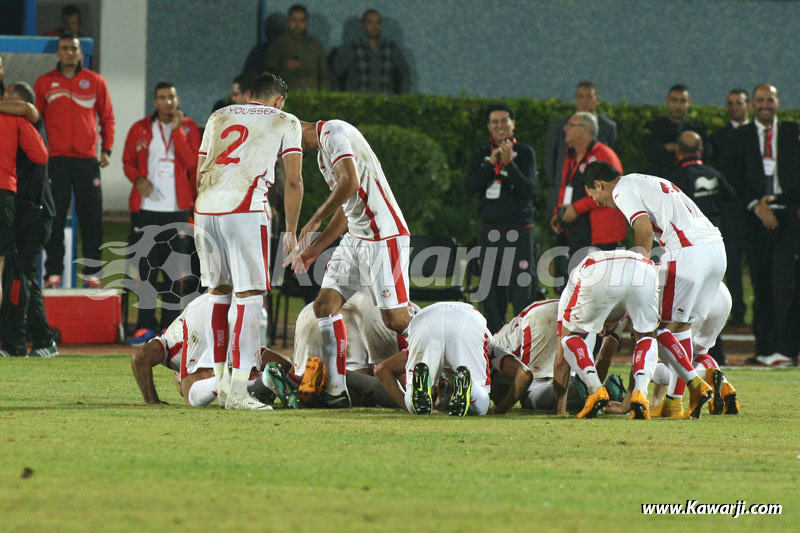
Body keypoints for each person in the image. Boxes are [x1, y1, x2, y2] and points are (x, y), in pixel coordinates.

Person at [195, 72, 303, 410]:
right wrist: (291, 229)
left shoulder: (220, 115)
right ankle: (240, 391)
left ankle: (222, 382)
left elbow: (200, 169)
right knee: (250, 298)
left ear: (248, 95)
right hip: (245, 209)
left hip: (207, 210)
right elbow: (294, 180)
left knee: (218, 295)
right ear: (279, 100)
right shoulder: (286, 120)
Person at [288, 117, 412, 408]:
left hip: (383, 235)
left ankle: (448, 354)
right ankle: (335, 390)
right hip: (357, 238)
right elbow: (348, 209)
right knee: (324, 306)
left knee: (395, 319)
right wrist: (316, 249)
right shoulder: (322, 154)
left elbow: (351, 181)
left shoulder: (333, 131)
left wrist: (316, 216)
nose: (286, 157)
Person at [584, 161, 719, 418]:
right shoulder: (643, 179)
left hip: (686, 251)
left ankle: (694, 384)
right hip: (715, 249)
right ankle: (673, 403)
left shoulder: (622, 189)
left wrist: (640, 267)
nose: (599, 203)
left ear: (599, 185)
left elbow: (643, 228)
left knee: (651, 330)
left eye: (596, 197)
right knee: (680, 328)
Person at [724, 84, 800, 367]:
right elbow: (730, 177)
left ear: (778, 102)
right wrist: (756, 204)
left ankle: (786, 349)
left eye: (770, 99)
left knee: (786, 286)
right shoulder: (740, 137)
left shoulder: (793, 132)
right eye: (760, 100)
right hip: (755, 220)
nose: (765, 104)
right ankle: (765, 350)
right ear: (753, 104)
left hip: (790, 217)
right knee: (761, 284)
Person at [122, 81, 201, 346]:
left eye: (171, 97)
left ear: (178, 99)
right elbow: (127, 161)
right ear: (155, 101)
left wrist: (178, 133)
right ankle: (144, 326)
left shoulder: (189, 128)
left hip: (177, 210)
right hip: (146, 210)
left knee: (173, 272)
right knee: (146, 271)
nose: (168, 102)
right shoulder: (140, 128)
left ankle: (169, 328)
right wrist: (137, 178)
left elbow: (192, 163)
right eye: (162, 97)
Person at [34, 32, 115, 289]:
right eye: (65, 48)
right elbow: (34, 123)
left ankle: (92, 274)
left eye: (74, 48)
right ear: (58, 53)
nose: (69, 52)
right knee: (54, 219)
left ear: (80, 52)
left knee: (91, 219)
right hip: (55, 162)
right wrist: (38, 155)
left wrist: (107, 150)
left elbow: (108, 117)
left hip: (87, 161)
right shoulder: (45, 83)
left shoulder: (95, 82)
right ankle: (53, 274)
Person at [552, 250, 663, 420]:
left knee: (569, 340)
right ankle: (640, 393)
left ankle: (596, 392)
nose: (603, 332)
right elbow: (604, 359)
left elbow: (561, 362)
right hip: (644, 270)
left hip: (597, 272)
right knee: (646, 337)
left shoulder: (569, 296)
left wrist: (560, 408)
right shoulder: (620, 311)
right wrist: (627, 402)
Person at [131, 293, 293, 407]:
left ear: (178, 376)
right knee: (243, 367)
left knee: (191, 397)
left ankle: (230, 380)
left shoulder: (170, 345)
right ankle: (262, 380)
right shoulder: (171, 341)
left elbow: (139, 358)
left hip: (205, 309)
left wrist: (152, 401)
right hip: (234, 303)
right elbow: (284, 363)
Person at [465, 103, 538, 333]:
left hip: (519, 232)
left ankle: (523, 343)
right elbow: (469, 187)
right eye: (494, 121)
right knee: (491, 293)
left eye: (504, 120)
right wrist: (491, 165)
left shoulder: (525, 153)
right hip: (490, 233)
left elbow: (529, 190)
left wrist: (509, 164)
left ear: (513, 124)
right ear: (489, 126)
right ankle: (494, 345)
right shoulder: (481, 155)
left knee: (521, 291)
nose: (500, 126)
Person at [0, 82, 58, 358]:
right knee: (25, 276)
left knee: (19, 276)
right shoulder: (18, 128)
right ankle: (44, 340)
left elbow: (27, 108)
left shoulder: (31, 124)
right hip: (31, 211)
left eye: (9, 100)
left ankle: (15, 344)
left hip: (35, 212)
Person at [550, 111, 626, 290]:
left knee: (601, 288)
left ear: (585, 129)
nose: (565, 129)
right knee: (574, 286)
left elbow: (609, 191)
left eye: (570, 125)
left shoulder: (604, 155)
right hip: (576, 232)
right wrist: (558, 213)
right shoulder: (571, 156)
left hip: (601, 236)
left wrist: (576, 208)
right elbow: (564, 186)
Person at [375, 302, 492, 416]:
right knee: (482, 407)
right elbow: (381, 370)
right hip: (465, 319)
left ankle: (416, 398)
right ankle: (470, 387)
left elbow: (381, 370)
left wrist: (407, 407)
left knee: (414, 404)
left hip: (427, 321)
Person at [544, 81, 617, 217]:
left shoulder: (608, 127)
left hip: (595, 197)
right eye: (580, 96)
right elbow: (549, 159)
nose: (584, 101)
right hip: (563, 193)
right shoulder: (559, 125)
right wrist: (557, 184)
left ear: (597, 100)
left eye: (589, 96)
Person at [710, 89, 750, 325]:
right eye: (731, 103)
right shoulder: (718, 137)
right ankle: (738, 313)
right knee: (732, 262)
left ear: (747, 105)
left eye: (739, 102)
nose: (735, 107)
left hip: (757, 209)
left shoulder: (759, 134)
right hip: (731, 209)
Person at [332, 8, 411, 94]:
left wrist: (402, 97)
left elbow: (405, 73)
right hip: (358, 104)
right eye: (370, 22)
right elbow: (333, 73)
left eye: (378, 22)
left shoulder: (390, 48)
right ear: (363, 25)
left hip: (385, 102)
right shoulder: (352, 48)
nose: (375, 26)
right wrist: (339, 98)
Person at [642, 84, 709, 178]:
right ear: (667, 101)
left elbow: (705, 154)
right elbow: (651, 153)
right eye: (674, 100)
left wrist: (668, 147)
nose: (678, 105)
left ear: (688, 103)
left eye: (683, 101)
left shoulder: (698, 129)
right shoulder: (654, 127)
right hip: (660, 178)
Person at [264, 5, 328, 91]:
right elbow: (268, 76)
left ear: (307, 22)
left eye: (301, 20)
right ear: (288, 21)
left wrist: (324, 97)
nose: (298, 24)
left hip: (312, 97)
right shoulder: (278, 45)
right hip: (287, 97)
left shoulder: (315, 45)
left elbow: (323, 75)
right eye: (294, 20)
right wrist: (284, 67)